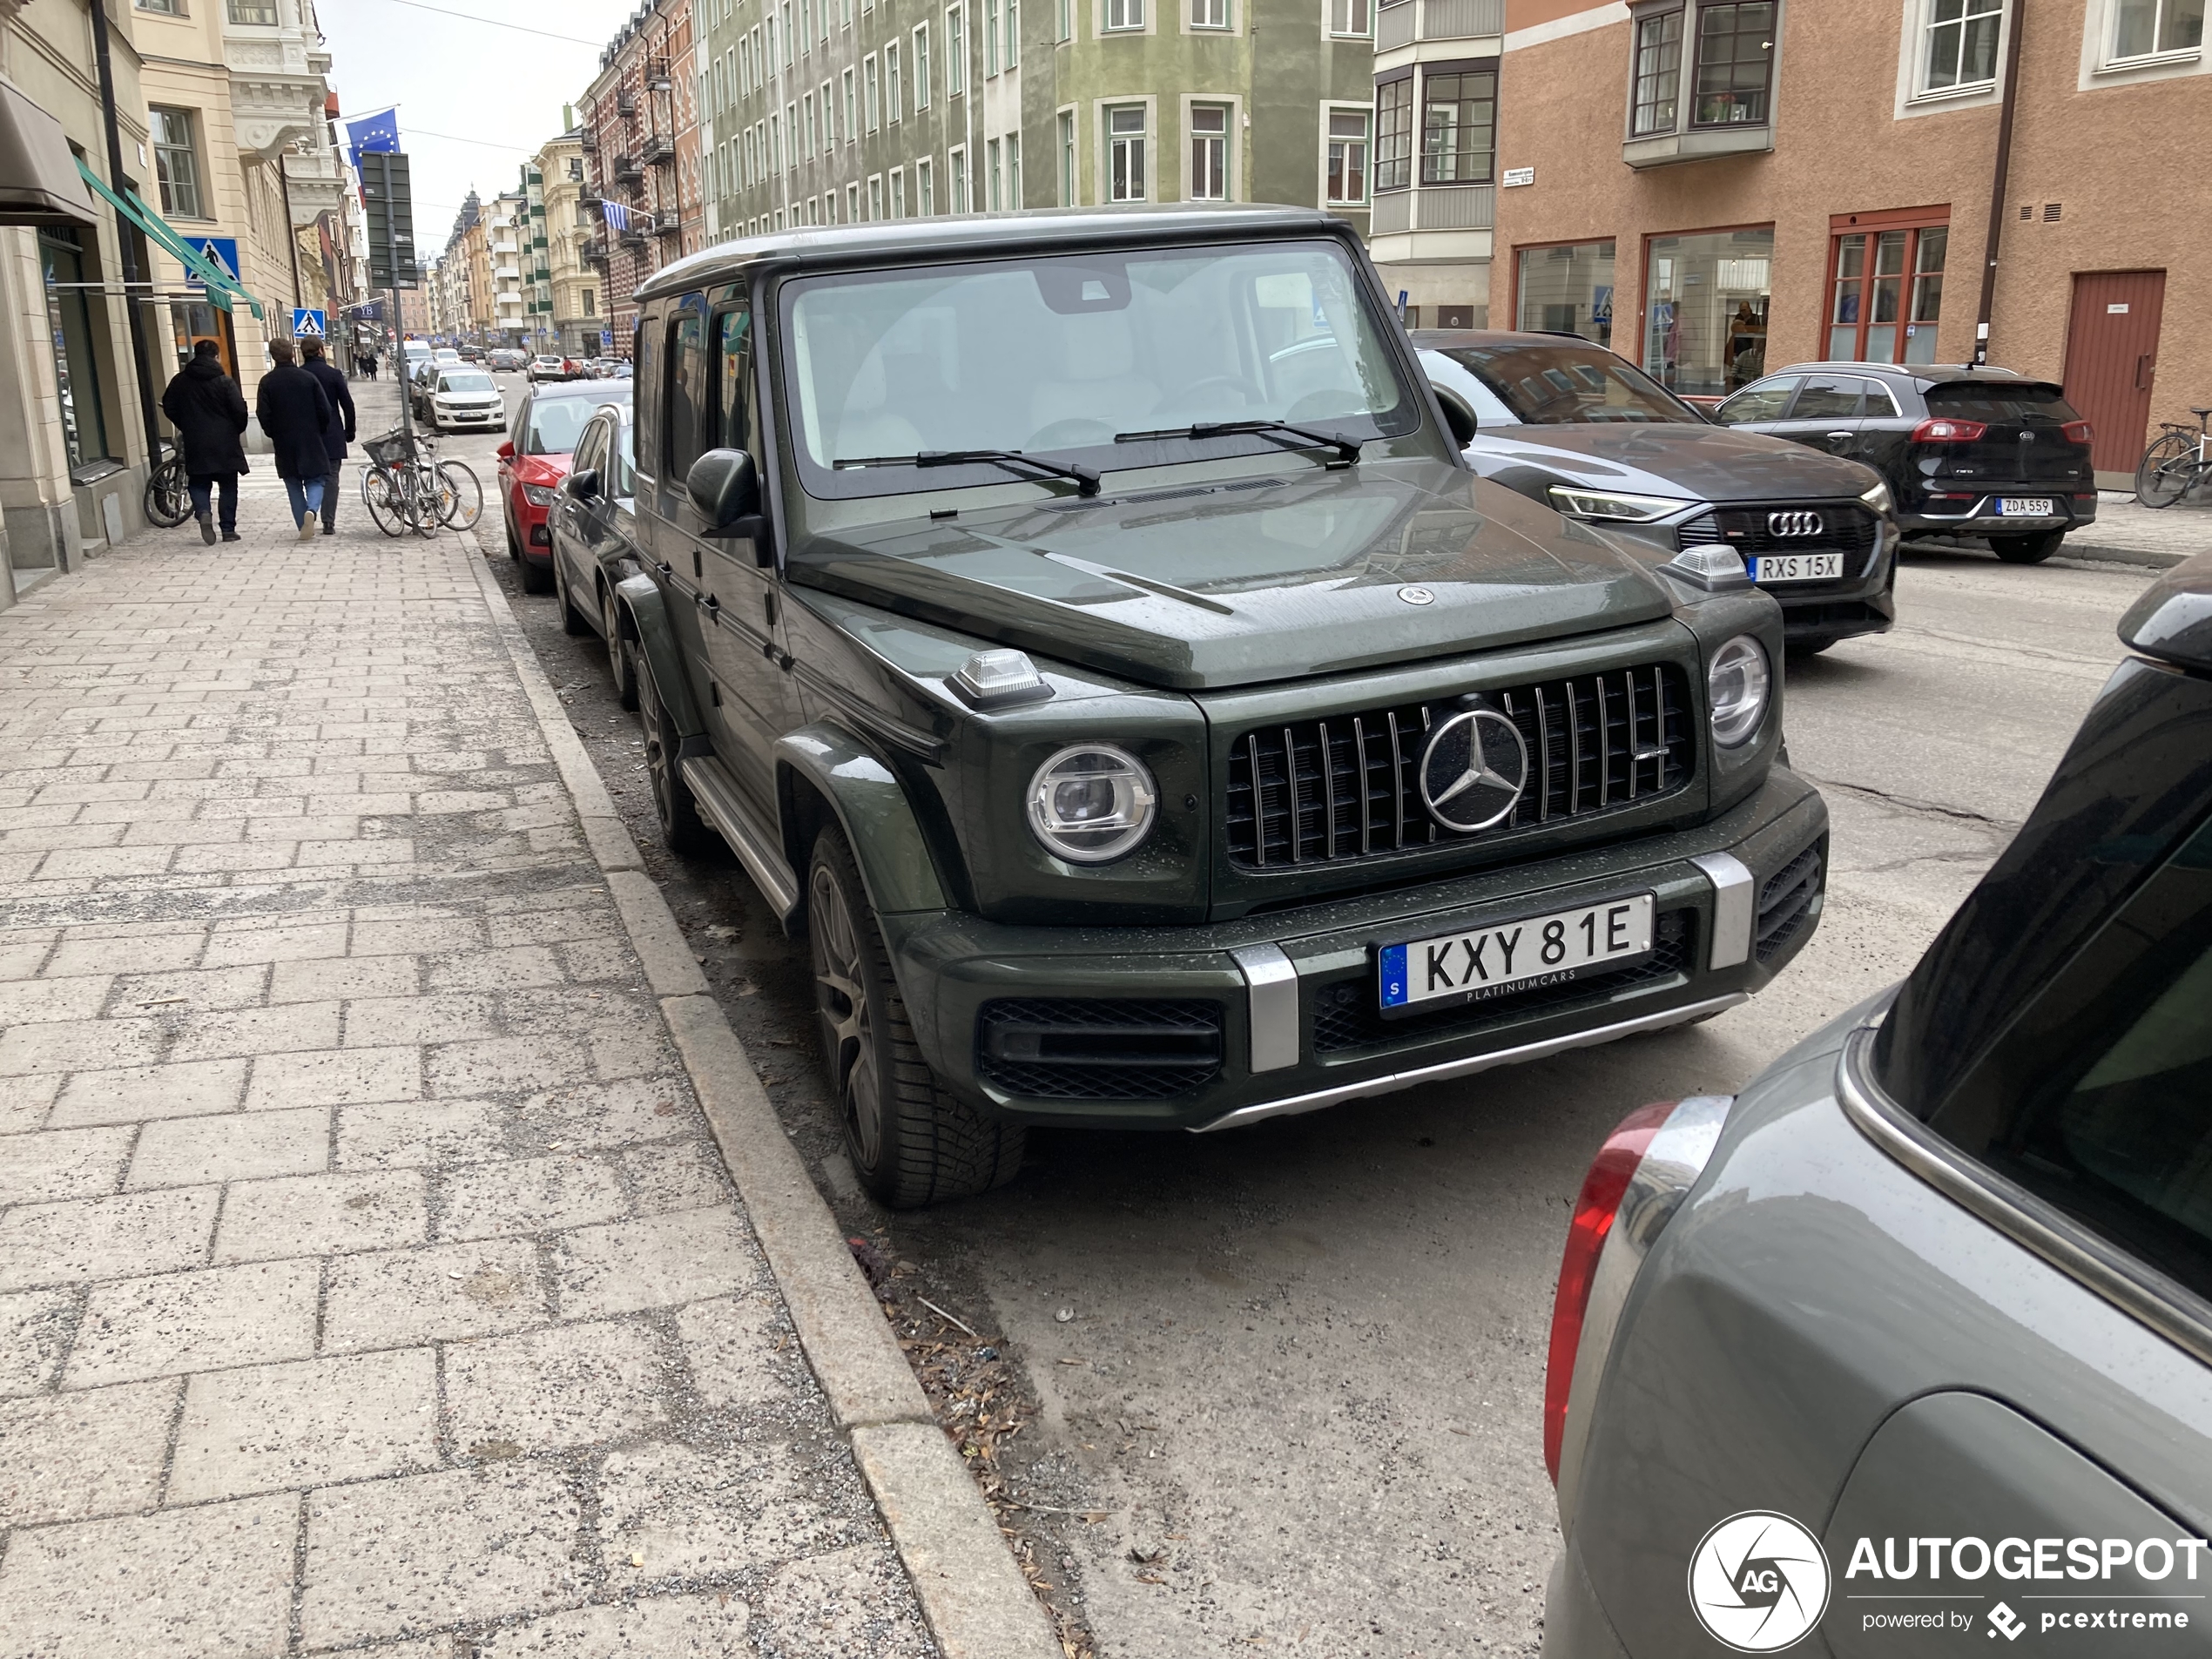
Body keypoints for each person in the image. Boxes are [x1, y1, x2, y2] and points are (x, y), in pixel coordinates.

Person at [158, 339, 250, 545]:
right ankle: (228, 530)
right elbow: (239, 410)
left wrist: (184, 423)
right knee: (228, 485)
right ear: (216, 356)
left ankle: (203, 512)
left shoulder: (180, 380)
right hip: (225, 440)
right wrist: (235, 429)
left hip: (195, 439)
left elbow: (169, 405)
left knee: (199, 482)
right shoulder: (224, 381)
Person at [256, 338, 335, 543]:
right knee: (316, 479)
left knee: (292, 484)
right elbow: (325, 409)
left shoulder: (267, 382)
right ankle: (312, 510)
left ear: (273, 356)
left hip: (284, 439)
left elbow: (263, 413)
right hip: (310, 437)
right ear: (292, 353)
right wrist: (321, 429)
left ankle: (302, 524)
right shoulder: (307, 378)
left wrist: (273, 432)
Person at [298, 340, 356, 536]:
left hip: (307, 434)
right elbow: (347, 405)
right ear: (322, 351)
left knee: (312, 477)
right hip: (332, 433)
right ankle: (328, 522)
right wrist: (350, 431)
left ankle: (309, 512)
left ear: (302, 353)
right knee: (332, 478)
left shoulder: (300, 375)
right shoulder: (334, 374)